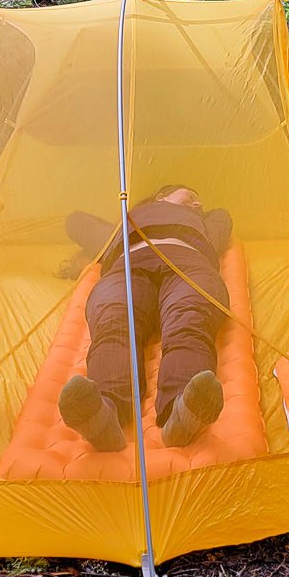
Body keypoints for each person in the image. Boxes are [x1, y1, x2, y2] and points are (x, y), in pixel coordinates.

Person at [57, 186, 233, 451]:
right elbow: (76, 222)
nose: (198, 205)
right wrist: (130, 214)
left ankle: (183, 414)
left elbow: (222, 218)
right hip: (128, 266)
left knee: (190, 320)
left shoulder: (202, 221)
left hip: (188, 264)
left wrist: (188, 213)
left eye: (200, 202)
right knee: (114, 323)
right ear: (162, 196)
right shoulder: (128, 221)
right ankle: (104, 418)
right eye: (191, 197)